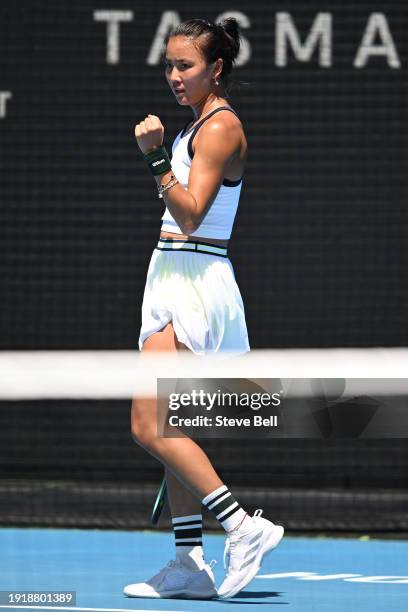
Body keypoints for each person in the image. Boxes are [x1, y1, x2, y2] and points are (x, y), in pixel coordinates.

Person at [124, 17, 284, 600]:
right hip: (170, 273)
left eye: (185, 65)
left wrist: (154, 156)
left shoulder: (220, 129)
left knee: (149, 423)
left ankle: (243, 526)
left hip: (194, 278)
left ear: (216, 69)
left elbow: (190, 213)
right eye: (169, 65)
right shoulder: (200, 125)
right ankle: (190, 561)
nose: (174, 76)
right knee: (173, 425)